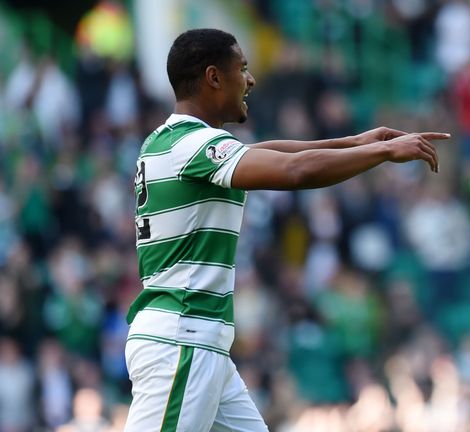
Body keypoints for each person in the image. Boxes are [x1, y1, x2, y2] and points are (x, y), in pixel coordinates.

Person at [124, 28, 448, 432]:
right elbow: (294, 171)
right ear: (213, 77)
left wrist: (354, 142)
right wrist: (381, 152)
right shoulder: (191, 146)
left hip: (197, 341)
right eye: (242, 68)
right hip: (182, 339)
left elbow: (270, 152)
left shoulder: (168, 141)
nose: (251, 79)